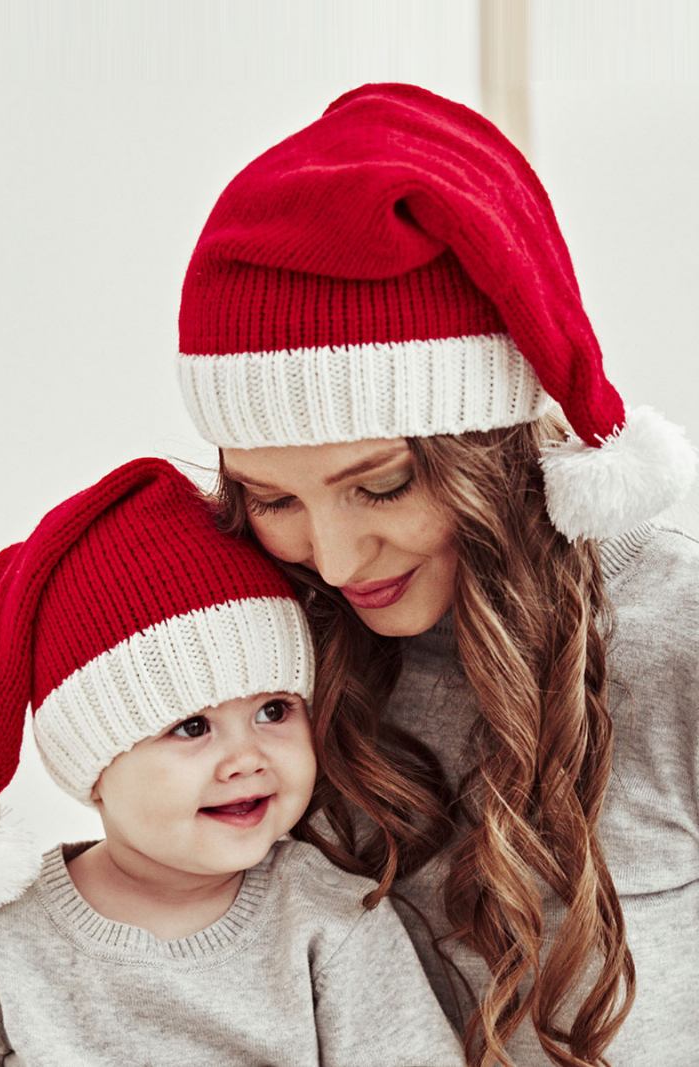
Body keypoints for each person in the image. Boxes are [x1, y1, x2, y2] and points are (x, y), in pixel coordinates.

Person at [176, 83, 699, 1067]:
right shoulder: (262, 637)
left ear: (487, 450)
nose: (331, 561)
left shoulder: (674, 632)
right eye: (272, 499)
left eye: (376, 486)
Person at [0, 457, 465, 1066]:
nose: (247, 757)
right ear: (94, 767)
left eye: (274, 710)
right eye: (192, 728)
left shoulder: (331, 923)